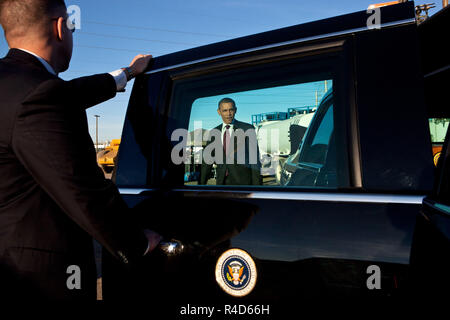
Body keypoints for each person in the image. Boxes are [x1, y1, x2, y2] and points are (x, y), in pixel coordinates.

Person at [0, 0, 161, 300]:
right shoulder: (40, 96)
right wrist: (137, 243)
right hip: (43, 279)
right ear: (60, 27)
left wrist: (126, 73)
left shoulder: (17, 87)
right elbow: (84, 191)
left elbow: (68, 94)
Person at [200, 98, 262, 185]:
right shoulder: (213, 133)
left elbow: (255, 161)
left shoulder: (247, 129)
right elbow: (206, 163)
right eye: (225, 110)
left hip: (244, 184)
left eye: (231, 110)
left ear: (235, 110)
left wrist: (257, 189)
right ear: (219, 112)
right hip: (222, 184)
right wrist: (200, 187)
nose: (228, 114)